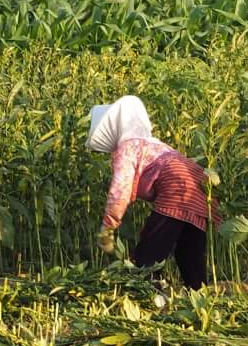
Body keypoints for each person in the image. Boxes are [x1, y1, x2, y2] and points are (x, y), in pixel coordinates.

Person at [86, 95, 215, 291]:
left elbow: (120, 190)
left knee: (150, 251)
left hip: (176, 187)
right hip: (199, 185)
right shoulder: (154, 144)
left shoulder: (127, 148)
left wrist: (108, 227)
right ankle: (200, 296)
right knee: (189, 252)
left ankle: (145, 293)